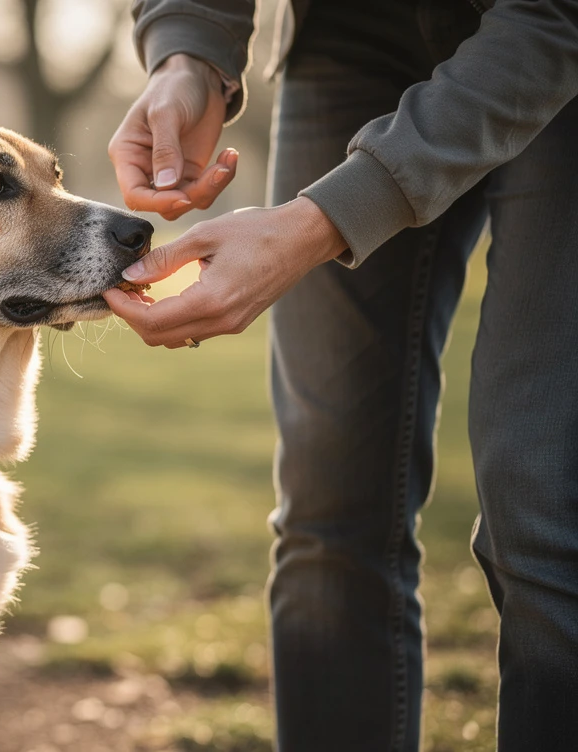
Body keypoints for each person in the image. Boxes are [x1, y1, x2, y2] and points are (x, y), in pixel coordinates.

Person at [103, 1, 578, 750]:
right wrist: (189, 51)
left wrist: (320, 222)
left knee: (546, 512)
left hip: (551, 30)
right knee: (329, 506)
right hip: (345, 35)